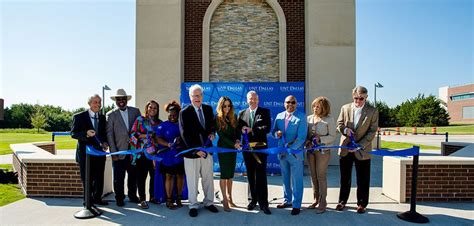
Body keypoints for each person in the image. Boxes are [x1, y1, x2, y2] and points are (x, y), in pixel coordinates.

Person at [335, 86, 379, 214]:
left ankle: (362, 203)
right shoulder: (345, 108)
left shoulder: (373, 111)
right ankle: (342, 201)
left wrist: (359, 145)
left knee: (363, 179)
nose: (358, 101)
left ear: (366, 97)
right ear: (352, 96)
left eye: (361, 98)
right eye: (356, 98)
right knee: (345, 178)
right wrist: (344, 130)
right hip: (345, 149)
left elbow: (372, 131)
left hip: (362, 150)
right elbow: (339, 124)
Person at [178, 84, 219, 217]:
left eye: (199, 95)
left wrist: (213, 132)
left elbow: (212, 125)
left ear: (202, 96)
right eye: (194, 95)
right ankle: (193, 205)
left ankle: (208, 202)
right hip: (192, 154)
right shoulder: (184, 112)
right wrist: (195, 150)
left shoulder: (207, 109)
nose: (197, 98)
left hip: (207, 151)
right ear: (190, 97)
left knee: (208, 179)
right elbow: (184, 134)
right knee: (192, 180)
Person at [271, 95, 307, 215]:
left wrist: (290, 149)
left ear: (296, 104)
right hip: (282, 153)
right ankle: (287, 200)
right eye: (288, 102)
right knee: (285, 178)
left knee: (297, 180)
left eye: (293, 102)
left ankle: (296, 204)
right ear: (284, 103)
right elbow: (273, 132)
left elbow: (301, 138)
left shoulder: (301, 117)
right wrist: (277, 134)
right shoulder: (279, 116)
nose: (290, 104)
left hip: (295, 154)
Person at [237, 90, 271, 215]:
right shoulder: (241, 113)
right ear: (247, 100)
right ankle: (252, 200)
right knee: (250, 175)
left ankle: (264, 203)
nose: (253, 100)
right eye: (251, 98)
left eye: (255, 98)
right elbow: (238, 129)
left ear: (258, 100)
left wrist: (252, 129)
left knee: (261, 175)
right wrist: (241, 130)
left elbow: (267, 128)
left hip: (260, 149)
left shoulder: (265, 112)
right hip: (247, 150)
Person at [106, 88, 142, 207]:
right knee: (118, 178)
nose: (121, 101)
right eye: (118, 99)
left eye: (123, 98)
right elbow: (110, 135)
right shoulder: (111, 115)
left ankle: (132, 196)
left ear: (127, 99)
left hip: (133, 152)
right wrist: (114, 153)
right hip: (119, 152)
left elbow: (140, 129)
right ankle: (119, 198)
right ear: (116, 100)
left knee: (133, 176)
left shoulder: (135, 111)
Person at [71, 94, 108, 206]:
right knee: (87, 178)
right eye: (95, 102)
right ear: (89, 103)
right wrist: (86, 134)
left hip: (100, 153)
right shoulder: (79, 116)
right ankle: (88, 201)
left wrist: (105, 142)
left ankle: (97, 198)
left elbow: (103, 134)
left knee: (99, 177)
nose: (97, 104)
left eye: (99, 102)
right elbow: (73, 134)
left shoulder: (102, 117)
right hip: (85, 154)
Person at [305, 96, 336, 214]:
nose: (315, 108)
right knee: (313, 176)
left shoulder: (329, 119)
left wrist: (320, 139)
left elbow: (332, 136)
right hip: (310, 152)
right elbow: (306, 134)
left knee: (321, 176)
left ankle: (323, 201)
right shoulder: (309, 119)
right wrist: (307, 141)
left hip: (323, 152)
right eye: (314, 106)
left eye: (318, 106)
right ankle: (316, 199)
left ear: (324, 108)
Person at [154, 100, 187, 210]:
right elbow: (158, 138)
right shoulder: (162, 125)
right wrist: (168, 144)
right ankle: (169, 200)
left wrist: (180, 141)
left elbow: (186, 138)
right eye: (170, 113)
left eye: (174, 114)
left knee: (180, 176)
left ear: (178, 113)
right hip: (167, 156)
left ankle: (178, 198)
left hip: (180, 156)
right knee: (168, 176)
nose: (172, 116)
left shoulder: (182, 125)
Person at [130, 100, 161, 209]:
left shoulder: (159, 123)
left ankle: (152, 197)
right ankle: (142, 199)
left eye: (155, 108)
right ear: (146, 108)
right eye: (150, 107)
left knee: (154, 176)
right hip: (141, 154)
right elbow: (133, 134)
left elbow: (161, 137)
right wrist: (145, 136)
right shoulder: (140, 120)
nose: (152, 109)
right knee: (141, 177)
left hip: (154, 155)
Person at [215, 96, 241, 212]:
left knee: (230, 174)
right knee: (224, 175)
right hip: (224, 149)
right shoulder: (217, 118)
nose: (227, 108)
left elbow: (237, 132)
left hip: (233, 150)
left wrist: (237, 141)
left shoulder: (233, 116)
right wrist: (233, 144)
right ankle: (224, 199)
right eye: (224, 106)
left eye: (229, 105)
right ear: (221, 106)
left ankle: (230, 197)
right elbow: (222, 136)